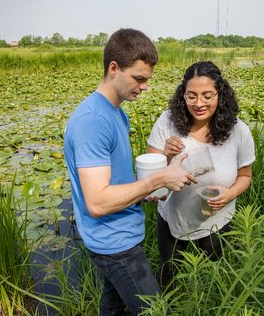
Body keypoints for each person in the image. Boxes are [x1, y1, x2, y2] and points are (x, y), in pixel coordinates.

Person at [63, 28, 197, 316]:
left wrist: (145, 189)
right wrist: (157, 180)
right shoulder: (93, 121)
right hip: (115, 243)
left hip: (118, 234)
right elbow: (98, 202)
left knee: (113, 307)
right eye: (139, 78)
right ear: (114, 69)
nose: (145, 86)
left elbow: (115, 182)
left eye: (147, 79)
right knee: (156, 311)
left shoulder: (116, 112)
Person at [146, 61, 255, 289]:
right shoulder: (167, 122)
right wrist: (166, 155)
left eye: (207, 96)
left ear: (220, 94)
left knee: (212, 280)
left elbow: (245, 176)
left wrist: (230, 193)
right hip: (173, 219)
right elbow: (151, 177)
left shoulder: (238, 131)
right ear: (182, 95)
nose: (199, 103)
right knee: (170, 275)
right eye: (191, 96)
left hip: (217, 221)